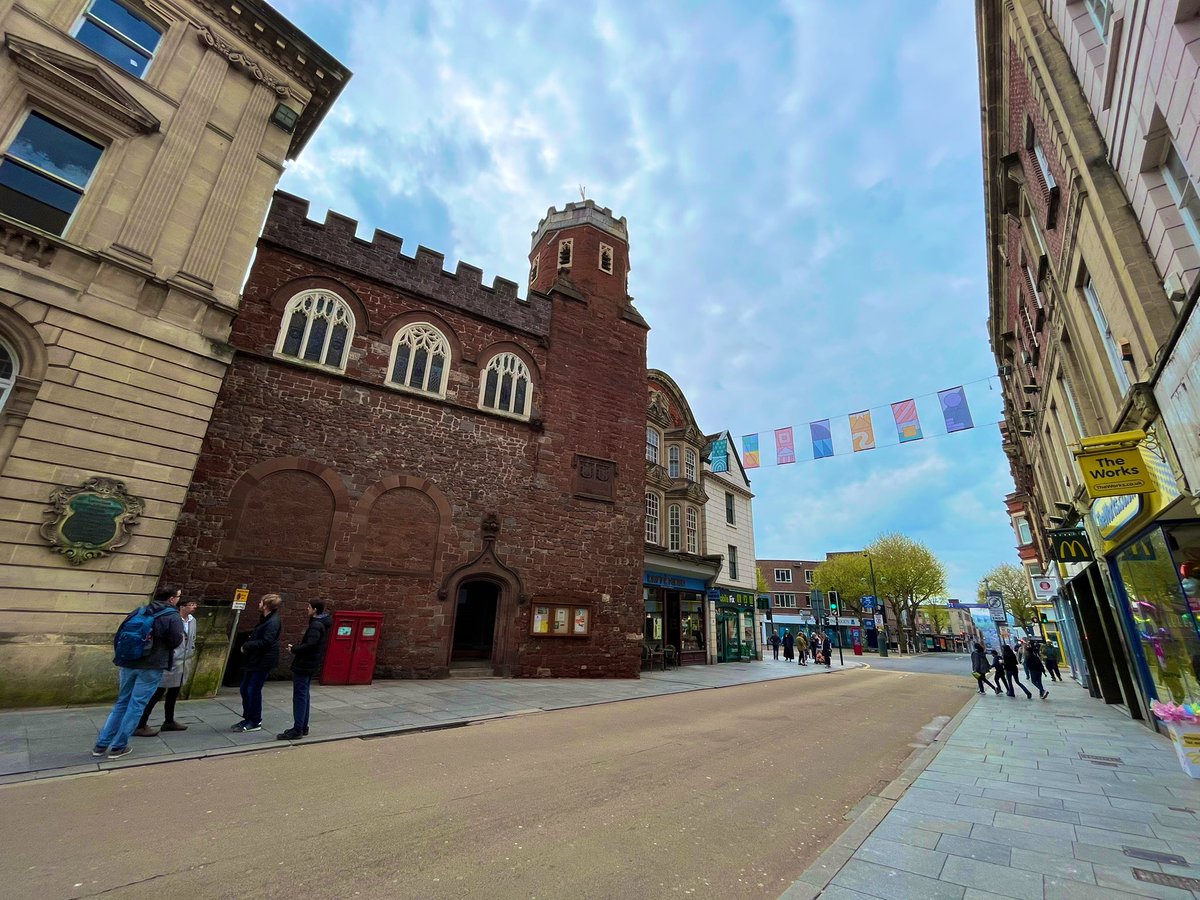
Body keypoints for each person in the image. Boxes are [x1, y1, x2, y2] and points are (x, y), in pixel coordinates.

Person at [93, 586, 185, 759]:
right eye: (178, 597)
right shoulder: (172, 615)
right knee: (136, 705)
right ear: (172, 599)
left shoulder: (140, 610)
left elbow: (120, 634)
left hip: (128, 663)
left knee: (121, 703)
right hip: (152, 665)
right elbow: (176, 640)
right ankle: (119, 746)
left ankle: (101, 744)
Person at [135, 596, 198, 736]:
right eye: (191, 604)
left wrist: (191, 651)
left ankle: (169, 721)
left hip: (184, 662)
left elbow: (192, 639)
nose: (194, 607)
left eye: (195, 604)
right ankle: (140, 723)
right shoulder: (173, 619)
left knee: (173, 693)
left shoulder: (193, 621)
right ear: (182, 606)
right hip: (169, 662)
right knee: (156, 693)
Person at [278, 601, 333, 740]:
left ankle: (298, 729)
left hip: (305, 664)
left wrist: (294, 649)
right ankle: (303, 726)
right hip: (311, 664)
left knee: (300, 696)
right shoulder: (321, 623)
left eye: (309, 607)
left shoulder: (316, 625)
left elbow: (310, 645)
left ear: (315, 610)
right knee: (304, 695)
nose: (306, 609)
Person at [233, 593, 283, 732]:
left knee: (253, 690)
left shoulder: (273, 622)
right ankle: (248, 718)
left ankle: (255, 721)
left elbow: (267, 641)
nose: (259, 604)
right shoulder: (266, 619)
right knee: (245, 689)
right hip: (255, 659)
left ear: (266, 605)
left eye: (261, 602)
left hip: (263, 661)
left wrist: (247, 645)